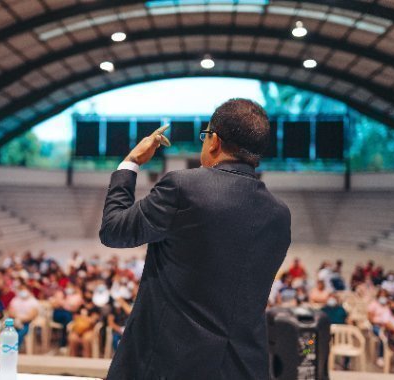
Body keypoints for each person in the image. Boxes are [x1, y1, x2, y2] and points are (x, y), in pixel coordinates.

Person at [99, 99, 291, 379]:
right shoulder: (279, 214)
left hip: (170, 366)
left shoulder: (183, 187)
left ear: (214, 141)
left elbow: (114, 230)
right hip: (243, 368)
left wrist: (131, 162)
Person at [7, 283, 39, 350]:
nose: (22, 291)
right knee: (8, 331)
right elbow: (10, 312)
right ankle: (7, 348)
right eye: (21, 289)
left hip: (26, 323)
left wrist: (20, 319)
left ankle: (14, 349)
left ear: (29, 290)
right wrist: (17, 319)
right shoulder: (15, 300)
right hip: (14, 321)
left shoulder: (33, 301)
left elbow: (31, 316)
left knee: (19, 333)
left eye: (24, 289)